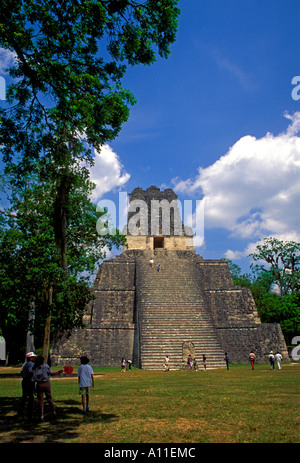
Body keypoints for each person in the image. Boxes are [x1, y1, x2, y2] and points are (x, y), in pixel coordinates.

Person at [32, 355, 63, 421]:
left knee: (40, 401)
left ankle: (41, 415)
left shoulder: (34, 368)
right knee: (49, 398)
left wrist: (34, 389)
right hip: (46, 383)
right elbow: (51, 374)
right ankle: (54, 411)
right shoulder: (46, 366)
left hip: (39, 384)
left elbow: (33, 379)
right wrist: (58, 372)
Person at [18, 352, 37, 420]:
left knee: (24, 396)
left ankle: (21, 411)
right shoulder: (31, 364)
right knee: (31, 397)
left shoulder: (24, 364)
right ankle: (30, 413)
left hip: (24, 381)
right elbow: (30, 372)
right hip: (29, 381)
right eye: (33, 357)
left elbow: (22, 372)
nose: (34, 358)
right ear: (31, 358)